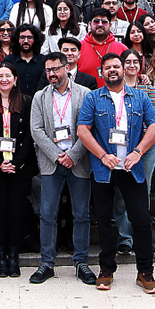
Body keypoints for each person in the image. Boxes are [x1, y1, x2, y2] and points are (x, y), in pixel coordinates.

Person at [78, 52, 155, 294]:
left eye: (117, 66)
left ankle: (145, 272)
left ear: (125, 70)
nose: (113, 70)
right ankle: (106, 269)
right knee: (104, 221)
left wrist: (138, 151)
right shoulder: (93, 98)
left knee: (141, 220)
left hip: (131, 167)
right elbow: (83, 130)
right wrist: (103, 155)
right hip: (103, 169)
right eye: (108, 67)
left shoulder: (140, 97)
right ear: (101, 72)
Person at [28, 52, 97, 284]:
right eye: (48, 70)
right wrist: (58, 156)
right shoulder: (40, 97)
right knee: (47, 215)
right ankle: (46, 263)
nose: (51, 74)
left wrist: (73, 155)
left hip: (79, 161)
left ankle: (81, 262)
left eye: (55, 69)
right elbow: (36, 130)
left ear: (66, 68)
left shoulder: (84, 94)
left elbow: (89, 127)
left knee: (81, 215)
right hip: (51, 163)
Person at [0, 63, 35, 278]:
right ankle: (0, 257)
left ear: (15, 79)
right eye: (0, 75)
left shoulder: (26, 101)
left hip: (20, 168)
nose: (4, 79)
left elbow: (30, 135)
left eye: (8, 75)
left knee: (15, 212)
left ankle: (14, 256)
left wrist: (18, 162)